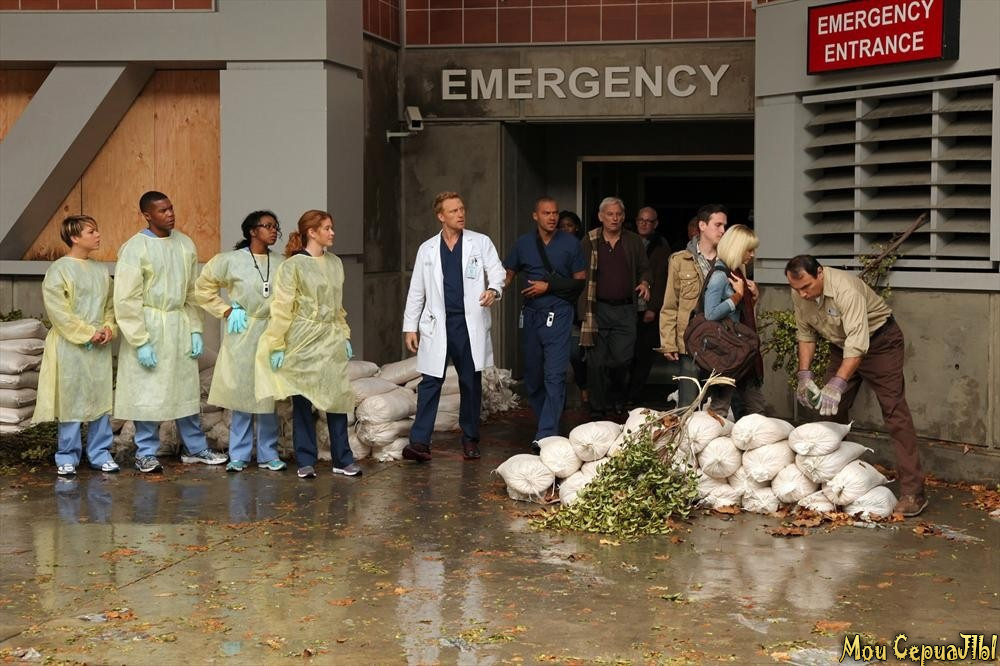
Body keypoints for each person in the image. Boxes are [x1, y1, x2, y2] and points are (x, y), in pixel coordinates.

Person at [785, 255, 927, 517]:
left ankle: (914, 492)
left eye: (806, 287)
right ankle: (838, 482)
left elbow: (858, 344)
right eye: (796, 289)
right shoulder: (799, 293)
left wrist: (838, 382)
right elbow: (805, 334)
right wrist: (804, 375)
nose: (802, 294)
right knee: (830, 412)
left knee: (894, 412)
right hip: (841, 346)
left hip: (880, 343)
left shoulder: (846, 290)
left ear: (820, 272)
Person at [114, 192, 228, 473]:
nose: (170, 214)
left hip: (178, 325)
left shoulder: (185, 244)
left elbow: (191, 292)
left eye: (171, 208)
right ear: (147, 215)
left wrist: (196, 330)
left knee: (184, 390)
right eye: (162, 210)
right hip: (149, 325)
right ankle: (146, 452)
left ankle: (195, 448)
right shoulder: (135, 248)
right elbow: (126, 299)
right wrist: (140, 340)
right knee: (148, 392)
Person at [254, 210, 360, 479]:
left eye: (331, 227)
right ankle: (305, 460)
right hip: (303, 338)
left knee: (336, 399)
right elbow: (282, 307)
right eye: (327, 228)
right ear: (312, 232)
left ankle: (343, 459)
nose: (332, 233)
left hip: (330, 337)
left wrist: (344, 334)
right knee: (303, 401)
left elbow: (338, 306)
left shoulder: (335, 263)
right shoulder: (293, 266)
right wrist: (277, 344)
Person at [402, 191, 506, 462]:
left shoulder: (479, 242)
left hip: (467, 323)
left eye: (462, 209)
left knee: (470, 382)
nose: (460, 214)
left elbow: (497, 271)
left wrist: (494, 290)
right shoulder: (427, 249)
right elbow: (417, 291)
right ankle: (419, 442)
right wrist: (410, 327)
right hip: (438, 324)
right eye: (453, 211)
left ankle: (470, 439)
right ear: (441, 216)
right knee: (430, 382)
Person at [196, 210, 286, 473]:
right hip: (243, 331)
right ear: (252, 231)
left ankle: (268, 454)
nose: (273, 231)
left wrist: (284, 336)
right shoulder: (231, 261)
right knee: (242, 394)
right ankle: (239, 454)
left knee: (267, 396)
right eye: (267, 226)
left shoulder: (281, 263)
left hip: (270, 330)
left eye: (275, 226)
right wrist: (226, 310)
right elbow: (203, 287)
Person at [33, 215, 118, 475]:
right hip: (70, 345)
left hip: (98, 345)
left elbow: (110, 306)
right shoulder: (59, 270)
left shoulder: (101, 271)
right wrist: (87, 333)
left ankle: (100, 453)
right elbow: (58, 312)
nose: (98, 235)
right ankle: (67, 455)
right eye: (91, 231)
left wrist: (108, 328)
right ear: (74, 237)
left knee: (100, 399)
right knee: (71, 400)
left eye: (96, 230)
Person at [504, 197, 586, 446]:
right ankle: (547, 423)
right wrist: (492, 290)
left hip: (558, 314)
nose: (552, 217)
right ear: (535, 216)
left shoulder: (570, 243)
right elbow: (508, 273)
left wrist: (549, 286)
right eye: (546, 213)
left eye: (555, 213)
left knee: (554, 375)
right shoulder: (524, 243)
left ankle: (547, 433)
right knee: (533, 377)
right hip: (531, 315)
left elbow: (580, 281)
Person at [578, 196, 651, 419]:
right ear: (601, 216)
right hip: (596, 309)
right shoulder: (590, 241)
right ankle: (598, 408)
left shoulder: (633, 241)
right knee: (596, 362)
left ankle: (618, 397)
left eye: (618, 214)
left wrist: (645, 282)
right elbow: (578, 272)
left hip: (625, 310)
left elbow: (645, 268)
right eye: (610, 214)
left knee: (622, 360)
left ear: (624, 217)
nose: (614, 218)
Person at [658, 204, 728, 409]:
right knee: (687, 402)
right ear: (702, 226)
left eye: (724, 225)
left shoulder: (730, 259)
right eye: (718, 225)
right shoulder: (680, 260)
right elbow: (670, 304)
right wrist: (668, 342)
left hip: (722, 341)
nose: (723, 230)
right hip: (690, 340)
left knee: (720, 404)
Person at [700, 224, 765, 418]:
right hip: (727, 353)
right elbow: (710, 314)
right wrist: (737, 296)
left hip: (741, 351)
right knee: (720, 407)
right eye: (749, 250)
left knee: (755, 407)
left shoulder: (736, 273)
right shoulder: (720, 276)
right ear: (737, 248)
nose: (752, 254)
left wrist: (752, 297)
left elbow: (739, 314)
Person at [627, 206, 671, 406]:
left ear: (656, 224)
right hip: (626, 307)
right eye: (641, 220)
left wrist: (653, 307)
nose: (644, 224)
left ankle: (634, 396)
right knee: (624, 354)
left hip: (648, 308)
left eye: (649, 221)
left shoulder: (661, 246)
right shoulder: (627, 240)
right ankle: (621, 394)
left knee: (643, 355)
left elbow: (662, 280)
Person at [558, 210, 589, 404]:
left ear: (576, 227)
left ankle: (584, 385)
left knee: (577, 353)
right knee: (566, 353)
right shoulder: (554, 249)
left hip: (582, 309)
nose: (565, 229)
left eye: (569, 226)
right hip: (561, 307)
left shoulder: (584, 248)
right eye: (561, 226)